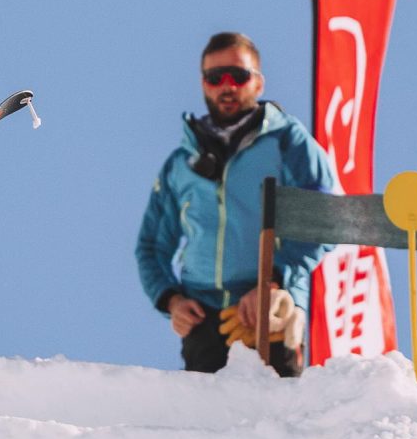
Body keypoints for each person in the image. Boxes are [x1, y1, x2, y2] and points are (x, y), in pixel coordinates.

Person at [136, 31, 337, 375]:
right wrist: (172, 300)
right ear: (203, 84)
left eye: (239, 76)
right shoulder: (181, 163)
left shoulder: (289, 142)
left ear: (258, 83)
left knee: (275, 423)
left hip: (273, 312)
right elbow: (151, 246)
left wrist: (272, 282)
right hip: (204, 319)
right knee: (204, 422)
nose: (227, 85)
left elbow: (326, 220)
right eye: (216, 78)